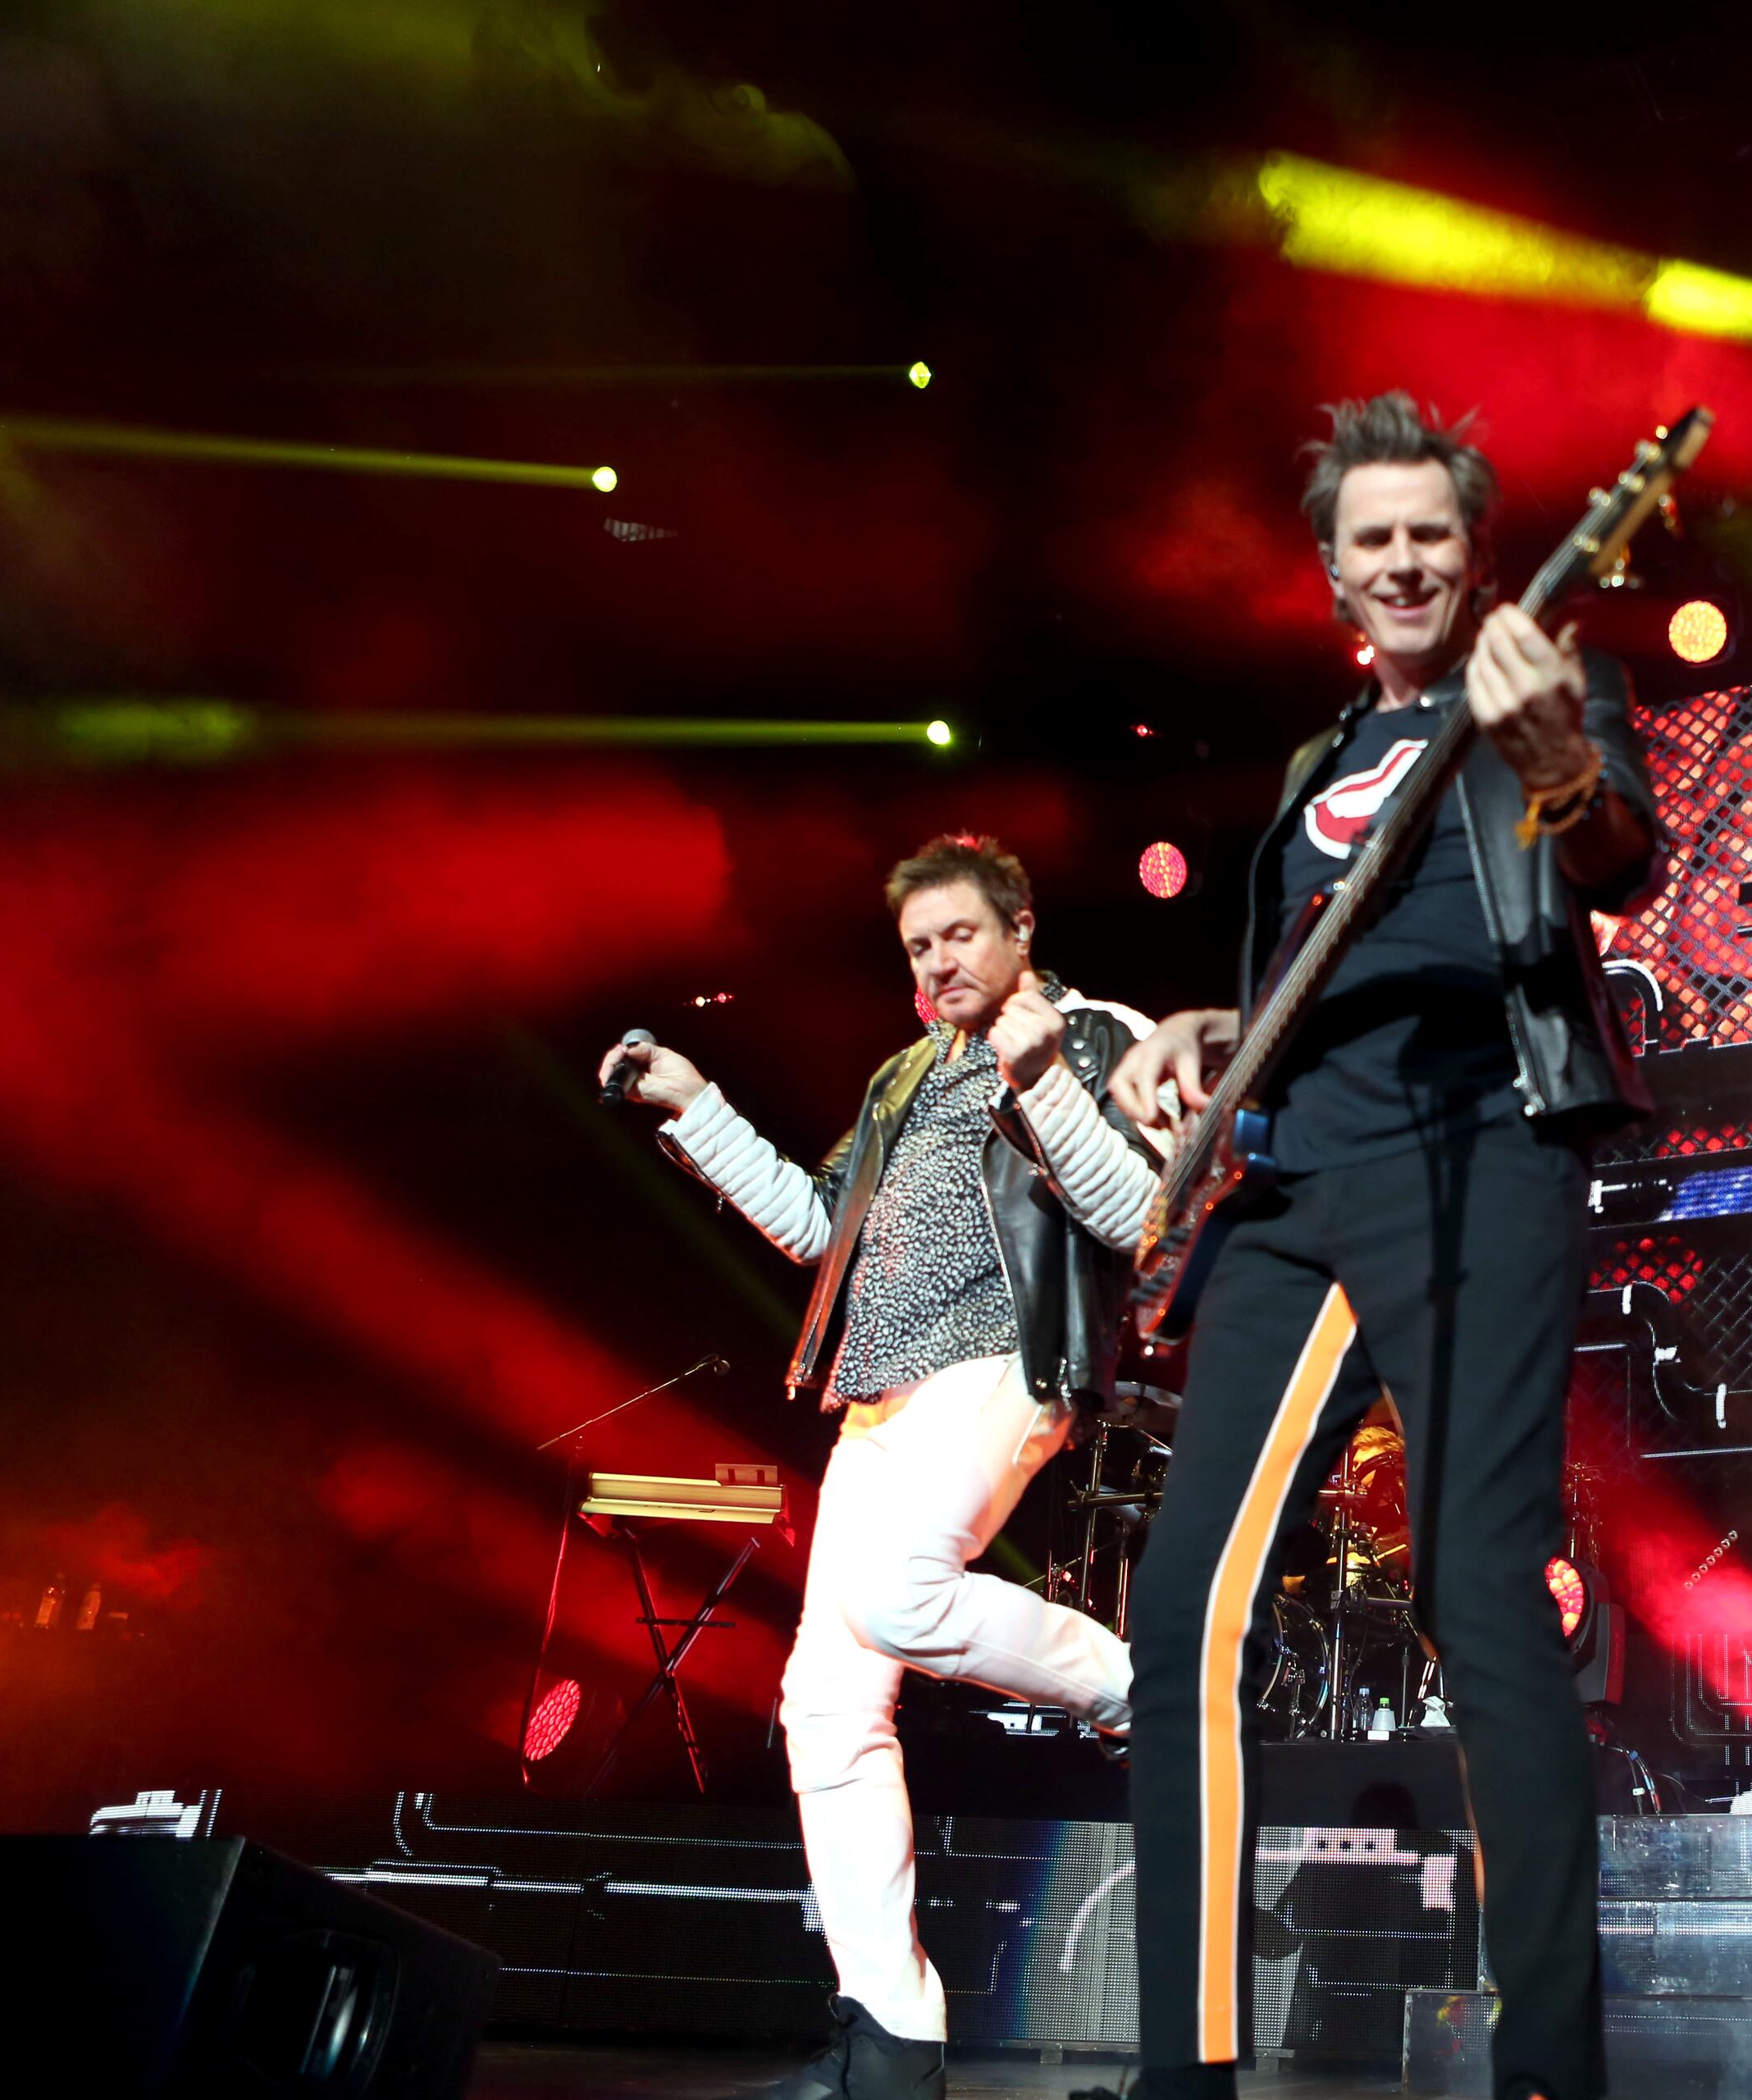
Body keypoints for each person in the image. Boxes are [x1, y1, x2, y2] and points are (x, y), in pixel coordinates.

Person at [1104, 392, 1661, 2100]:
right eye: (1374, 538)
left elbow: (1617, 859)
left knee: (1478, 1588)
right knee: (1182, 1601)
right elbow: (1307, 984)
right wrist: (1206, 1029)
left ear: (1474, 554)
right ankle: (1187, 2067)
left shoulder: (1544, 690)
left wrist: (1556, 755)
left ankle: (1549, 2069)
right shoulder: (1316, 766)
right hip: (1296, 1187)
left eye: (1431, 532)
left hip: (1481, 1143)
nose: (1404, 559)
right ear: (1334, 573)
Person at [600, 834, 1164, 2100]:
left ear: (1019, 929)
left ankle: (1137, 1686)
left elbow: (1136, 1216)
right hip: (876, 1393)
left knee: (903, 1599)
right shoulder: (904, 1076)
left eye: (962, 934)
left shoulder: (1093, 1034)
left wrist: (1042, 1078)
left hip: (1002, 1361)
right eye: (920, 945)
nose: (941, 960)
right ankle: (892, 2036)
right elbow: (819, 1229)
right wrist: (693, 1103)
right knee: (826, 1703)